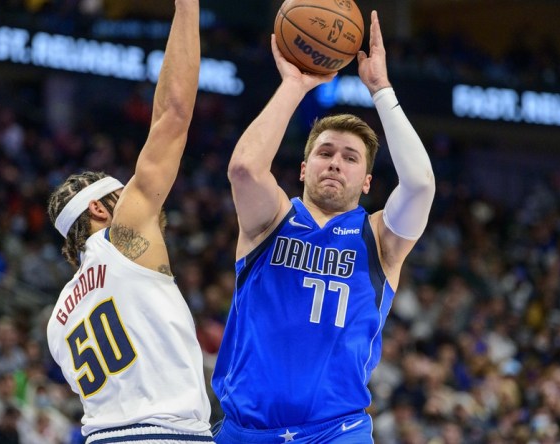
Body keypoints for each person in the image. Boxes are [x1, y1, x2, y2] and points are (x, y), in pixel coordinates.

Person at [212, 10, 436, 443]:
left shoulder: (379, 240)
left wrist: (381, 89)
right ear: (303, 167)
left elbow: (422, 183)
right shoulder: (270, 221)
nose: (335, 161)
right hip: (244, 431)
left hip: (336, 431)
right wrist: (294, 86)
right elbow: (243, 168)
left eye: (350, 158)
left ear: (367, 181)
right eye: (325, 152)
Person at [45, 0, 212, 442]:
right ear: (99, 209)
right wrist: (187, 9)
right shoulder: (123, 239)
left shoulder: (57, 321)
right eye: (122, 194)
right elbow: (172, 116)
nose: (139, 199)